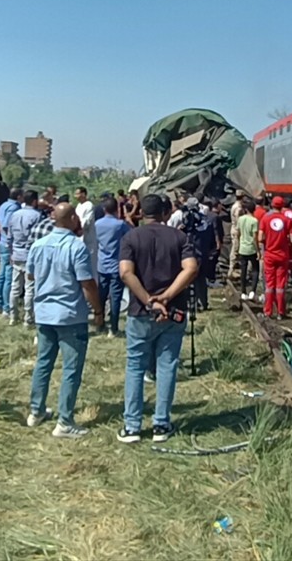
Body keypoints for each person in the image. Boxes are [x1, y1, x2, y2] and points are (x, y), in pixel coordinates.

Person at [118, 194, 199, 443]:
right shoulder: (179, 237)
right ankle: (161, 424)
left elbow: (126, 273)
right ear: (165, 213)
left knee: (135, 366)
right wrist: (167, 297)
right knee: (167, 365)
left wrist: (149, 300)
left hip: (141, 312)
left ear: (141, 213)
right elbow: (191, 268)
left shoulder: (131, 237)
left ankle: (132, 426)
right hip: (174, 311)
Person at [25, 204, 104, 438]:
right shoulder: (76, 247)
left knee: (43, 362)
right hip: (69, 315)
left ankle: (36, 411)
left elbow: (30, 274)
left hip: (44, 313)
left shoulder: (38, 245)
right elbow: (86, 283)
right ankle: (65, 421)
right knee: (71, 368)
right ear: (70, 218)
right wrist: (98, 309)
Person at [95, 197, 131, 336]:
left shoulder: (97, 224)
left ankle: (100, 323)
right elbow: (131, 235)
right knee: (115, 297)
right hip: (116, 264)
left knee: (101, 296)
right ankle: (113, 328)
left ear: (104, 209)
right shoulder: (120, 225)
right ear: (117, 208)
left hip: (102, 264)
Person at [258, 196, 292, 319]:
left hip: (270, 255)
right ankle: (281, 312)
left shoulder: (265, 218)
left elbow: (260, 238)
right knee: (280, 285)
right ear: (282, 206)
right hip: (282, 256)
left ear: (271, 205)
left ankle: (268, 311)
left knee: (269, 284)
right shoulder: (287, 220)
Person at [7, 190, 42, 326]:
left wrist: (11, 252)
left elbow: (9, 236)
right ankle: (28, 317)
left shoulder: (15, 215)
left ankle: (13, 315)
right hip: (29, 255)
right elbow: (37, 237)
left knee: (15, 286)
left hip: (16, 253)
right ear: (34, 201)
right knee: (29, 288)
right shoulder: (37, 215)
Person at [180, 197, 216, 310]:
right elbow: (211, 237)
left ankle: (193, 303)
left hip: (192, 253)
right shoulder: (206, 220)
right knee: (201, 279)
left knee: (189, 279)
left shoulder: (187, 220)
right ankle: (203, 302)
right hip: (203, 253)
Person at [0, 188, 22, 317]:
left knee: (1, 275)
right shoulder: (14, 208)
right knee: (9, 277)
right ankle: (6, 307)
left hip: (2, 242)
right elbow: (6, 224)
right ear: (19, 197)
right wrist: (8, 235)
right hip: (9, 245)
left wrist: (1, 233)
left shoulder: (4, 205)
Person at [235, 198, 260, 301]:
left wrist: (238, 245)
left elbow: (238, 233)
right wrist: (258, 251)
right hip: (252, 249)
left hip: (242, 248)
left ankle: (243, 292)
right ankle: (252, 291)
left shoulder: (240, 219)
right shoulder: (254, 221)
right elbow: (255, 237)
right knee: (255, 270)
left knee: (243, 270)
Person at [74, 187, 99, 272]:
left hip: (87, 237)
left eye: (77, 194)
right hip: (78, 237)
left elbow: (86, 222)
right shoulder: (78, 206)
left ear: (83, 194)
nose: (75, 196)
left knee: (90, 263)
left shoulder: (89, 205)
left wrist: (77, 227)